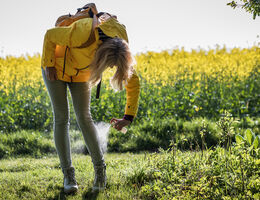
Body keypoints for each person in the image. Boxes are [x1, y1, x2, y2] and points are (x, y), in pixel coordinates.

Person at [41, 3, 140, 194]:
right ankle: (68, 175)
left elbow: (132, 81)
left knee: (84, 118)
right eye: (108, 66)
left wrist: (128, 117)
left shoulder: (122, 44)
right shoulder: (83, 32)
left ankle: (100, 171)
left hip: (80, 73)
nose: (109, 69)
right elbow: (50, 35)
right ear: (100, 57)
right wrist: (49, 64)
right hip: (55, 66)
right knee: (62, 118)